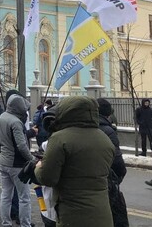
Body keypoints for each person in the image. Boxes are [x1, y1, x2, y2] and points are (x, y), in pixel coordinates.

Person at [35, 96, 115, 227]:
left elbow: (47, 178)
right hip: (102, 214)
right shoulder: (104, 139)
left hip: (72, 215)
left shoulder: (60, 139)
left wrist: (38, 166)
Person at [0, 93, 35, 227]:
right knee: (24, 198)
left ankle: (6, 223)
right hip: (16, 164)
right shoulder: (16, 122)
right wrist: (32, 159)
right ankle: (26, 224)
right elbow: (21, 145)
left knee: (6, 195)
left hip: (4, 162)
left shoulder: (2, 116)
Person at [97, 98, 129, 226]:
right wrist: (115, 181)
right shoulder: (108, 131)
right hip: (107, 183)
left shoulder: (77, 130)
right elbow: (118, 164)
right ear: (108, 113)